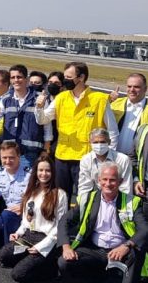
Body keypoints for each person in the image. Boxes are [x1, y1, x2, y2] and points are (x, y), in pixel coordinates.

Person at [57, 162, 147, 283]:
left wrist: (127, 245)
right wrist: (66, 246)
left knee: (135, 250)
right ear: (98, 180)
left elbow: (144, 229)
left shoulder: (132, 201)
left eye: (112, 180)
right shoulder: (87, 199)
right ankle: (98, 278)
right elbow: (64, 221)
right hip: (95, 250)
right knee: (64, 263)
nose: (108, 183)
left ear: (120, 181)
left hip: (121, 250)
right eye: (104, 179)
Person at [34, 62, 119, 203]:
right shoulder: (61, 98)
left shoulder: (99, 99)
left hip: (87, 158)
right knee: (61, 197)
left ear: (81, 77)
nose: (65, 80)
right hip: (63, 156)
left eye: (69, 77)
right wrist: (39, 107)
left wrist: (109, 157)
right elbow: (43, 120)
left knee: (84, 197)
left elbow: (112, 131)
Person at [0, 155, 68, 283]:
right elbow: (26, 220)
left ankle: (50, 268)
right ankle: (32, 260)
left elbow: (60, 226)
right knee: (3, 256)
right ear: (36, 172)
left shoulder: (59, 194)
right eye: (40, 170)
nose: (44, 174)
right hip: (29, 237)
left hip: (47, 240)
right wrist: (18, 233)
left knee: (18, 274)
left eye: (48, 170)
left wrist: (41, 247)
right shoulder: (31, 191)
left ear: (53, 172)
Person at [0, 64, 52, 168]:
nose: (16, 80)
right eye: (13, 77)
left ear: (26, 79)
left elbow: (46, 125)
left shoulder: (39, 98)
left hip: (30, 152)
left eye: (19, 77)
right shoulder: (6, 99)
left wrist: (46, 149)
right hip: (10, 152)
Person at [77, 128, 132, 212]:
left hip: (117, 200)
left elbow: (125, 188)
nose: (99, 145)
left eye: (102, 142)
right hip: (96, 200)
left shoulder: (123, 159)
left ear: (109, 142)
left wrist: (123, 210)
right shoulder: (86, 160)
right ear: (90, 143)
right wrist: (82, 209)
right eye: (95, 142)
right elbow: (84, 187)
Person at [111, 73, 148, 156]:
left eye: (136, 87)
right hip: (112, 157)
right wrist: (108, 101)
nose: (132, 90)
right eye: (129, 86)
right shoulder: (115, 104)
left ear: (145, 89)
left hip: (137, 160)